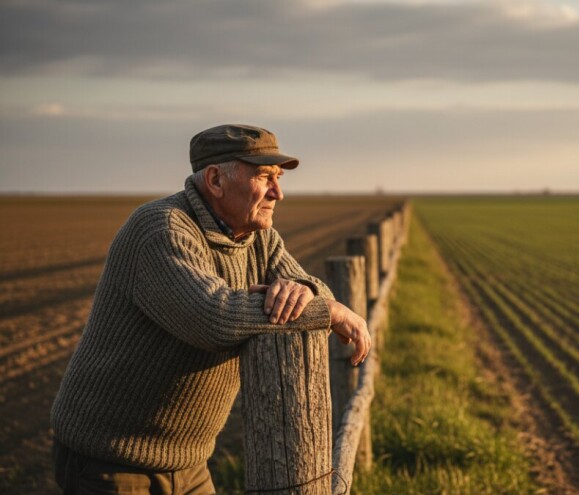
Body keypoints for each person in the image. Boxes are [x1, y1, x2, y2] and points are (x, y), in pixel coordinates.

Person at [49, 124, 371, 494]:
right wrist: (327, 311)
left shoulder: (259, 237)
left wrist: (311, 293)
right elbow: (213, 318)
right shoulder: (161, 229)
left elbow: (311, 291)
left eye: (278, 178)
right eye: (265, 177)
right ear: (216, 180)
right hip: (112, 459)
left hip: (190, 461)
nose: (278, 193)